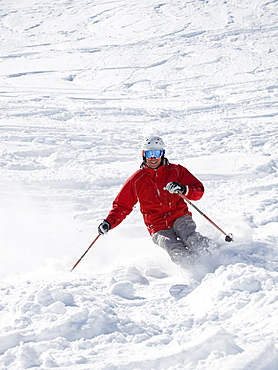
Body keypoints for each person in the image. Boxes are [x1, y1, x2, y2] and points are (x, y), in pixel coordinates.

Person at [98, 136, 212, 268]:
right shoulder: (137, 179)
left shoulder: (176, 171)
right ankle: (197, 269)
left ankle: (215, 255)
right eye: (149, 154)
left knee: (191, 238)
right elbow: (122, 205)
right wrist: (109, 222)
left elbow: (198, 190)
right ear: (143, 155)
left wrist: (183, 189)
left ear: (162, 154)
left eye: (156, 153)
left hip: (179, 216)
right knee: (173, 248)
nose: (153, 158)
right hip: (157, 225)